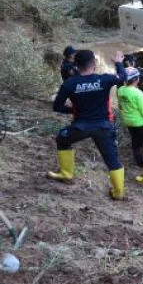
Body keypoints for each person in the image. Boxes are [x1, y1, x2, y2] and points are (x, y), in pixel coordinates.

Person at [50, 49, 127, 200]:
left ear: (76, 65)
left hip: (80, 127)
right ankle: (118, 192)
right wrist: (118, 63)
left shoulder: (69, 84)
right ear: (94, 63)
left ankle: (67, 174)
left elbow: (57, 107)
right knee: (112, 159)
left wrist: (73, 109)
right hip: (103, 127)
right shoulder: (106, 79)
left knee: (62, 139)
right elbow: (123, 77)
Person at [117, 67, 143, 168]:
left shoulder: (121, 90)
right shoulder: (138, 93)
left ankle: (139, 163)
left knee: (136, 142)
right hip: (141, 123)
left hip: (129, 122)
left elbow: (120, 106)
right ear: (137, 79)